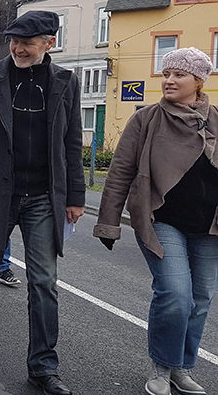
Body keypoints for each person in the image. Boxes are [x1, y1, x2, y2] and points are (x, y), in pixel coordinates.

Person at [0, 10, 85, 395]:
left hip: (42, 195)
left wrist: (75, 195)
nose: (19, 48)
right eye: (14, 41)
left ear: (49, 44)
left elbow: (72, 143)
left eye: (28, 42)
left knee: (44, 281)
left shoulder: (65, 82)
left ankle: (43, 366)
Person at [96, 47, 218, 395]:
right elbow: (120, 171)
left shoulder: (216, 120)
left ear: (198, 80)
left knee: (201, 298)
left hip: (209, 226)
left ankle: (182, 367)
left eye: (178, 74)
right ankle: (162, 369)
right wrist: (109, 221)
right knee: (175, 295)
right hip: (161, 220)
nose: (169, 80)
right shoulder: (147, 119)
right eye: (166, 74)